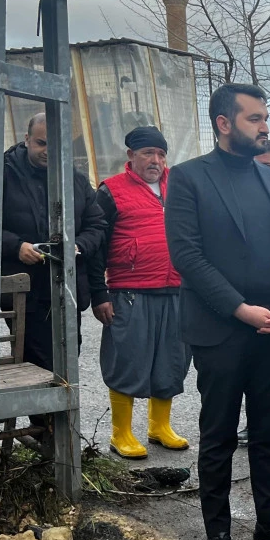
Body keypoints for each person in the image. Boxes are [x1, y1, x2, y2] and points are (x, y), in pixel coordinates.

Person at [165, 84, 270, 540]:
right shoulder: (189, 179)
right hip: (222, 331)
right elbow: (188, 257)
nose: (265, 127)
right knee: (217, 436)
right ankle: (219, 535)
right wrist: (240, 309)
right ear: (223, 123)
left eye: (266, 117)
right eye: (255, 118)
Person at [0, 114, 107, 377]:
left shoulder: (75, 179)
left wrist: (78, 246)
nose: (48, 151)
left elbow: (97, 225)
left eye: (56, 144)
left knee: (67, 362)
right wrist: (15, 247)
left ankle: (59, 418)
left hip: (67, 291)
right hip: (24, 293)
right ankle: (43, 418)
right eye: (41, 143)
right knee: (33, 366)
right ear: (26, 139)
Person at [87, 126, 190, 460]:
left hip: (177, 289)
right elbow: (95, 248)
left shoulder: (180, 184)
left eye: (161, 154)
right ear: (131, 155)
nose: (155, 161)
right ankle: (121, 433)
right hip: (129, 291)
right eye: (148, 153)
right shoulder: (111, 191)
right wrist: (99, 293)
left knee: (171, 360)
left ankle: (159, 426)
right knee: (127, 360)